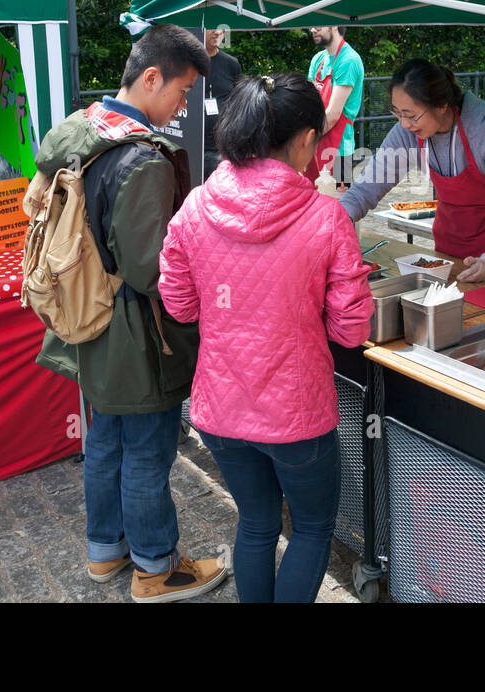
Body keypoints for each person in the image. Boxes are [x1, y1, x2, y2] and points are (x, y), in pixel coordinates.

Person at [159, 72, 374, 603]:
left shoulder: (193, 208)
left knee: (256, 525)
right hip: (296, 416)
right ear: (305, 138)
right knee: (312, 528)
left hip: (219, 411)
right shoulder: (327, 219)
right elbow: (351, 329)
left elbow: (179, 304)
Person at [33, 24, 228, 603]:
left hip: (85, 317)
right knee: (147, 447)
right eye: (183, 90)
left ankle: (105, 552)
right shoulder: (142, 159)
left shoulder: (78, 129)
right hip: (135, 330)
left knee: (106, 440)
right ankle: (156, 567)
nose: (185, 105)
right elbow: (149, 271)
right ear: (150, 78)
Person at [341, 59, 485, 282]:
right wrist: (334, 222)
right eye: (397, 113)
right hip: (447, 256)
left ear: (442, 105)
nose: (404, 124)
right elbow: (365, 190)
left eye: (411, 114)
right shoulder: (407, 133)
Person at [305, 26, 363, 185]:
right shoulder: (318, 59)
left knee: (337, 205)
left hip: (338, 152)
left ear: (335, 24)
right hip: (315, 143)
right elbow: (310, 105)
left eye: (318, 25)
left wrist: (304, 141)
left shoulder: (348, 60)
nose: (312, 29)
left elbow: (332, 115)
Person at [199, 27, 242, 182]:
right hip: (193, 145)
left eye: (221, 28)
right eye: (212, 28)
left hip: (222, 150)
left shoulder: (231, 64)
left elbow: (239, 102)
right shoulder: (186, 63)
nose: (217, 32)